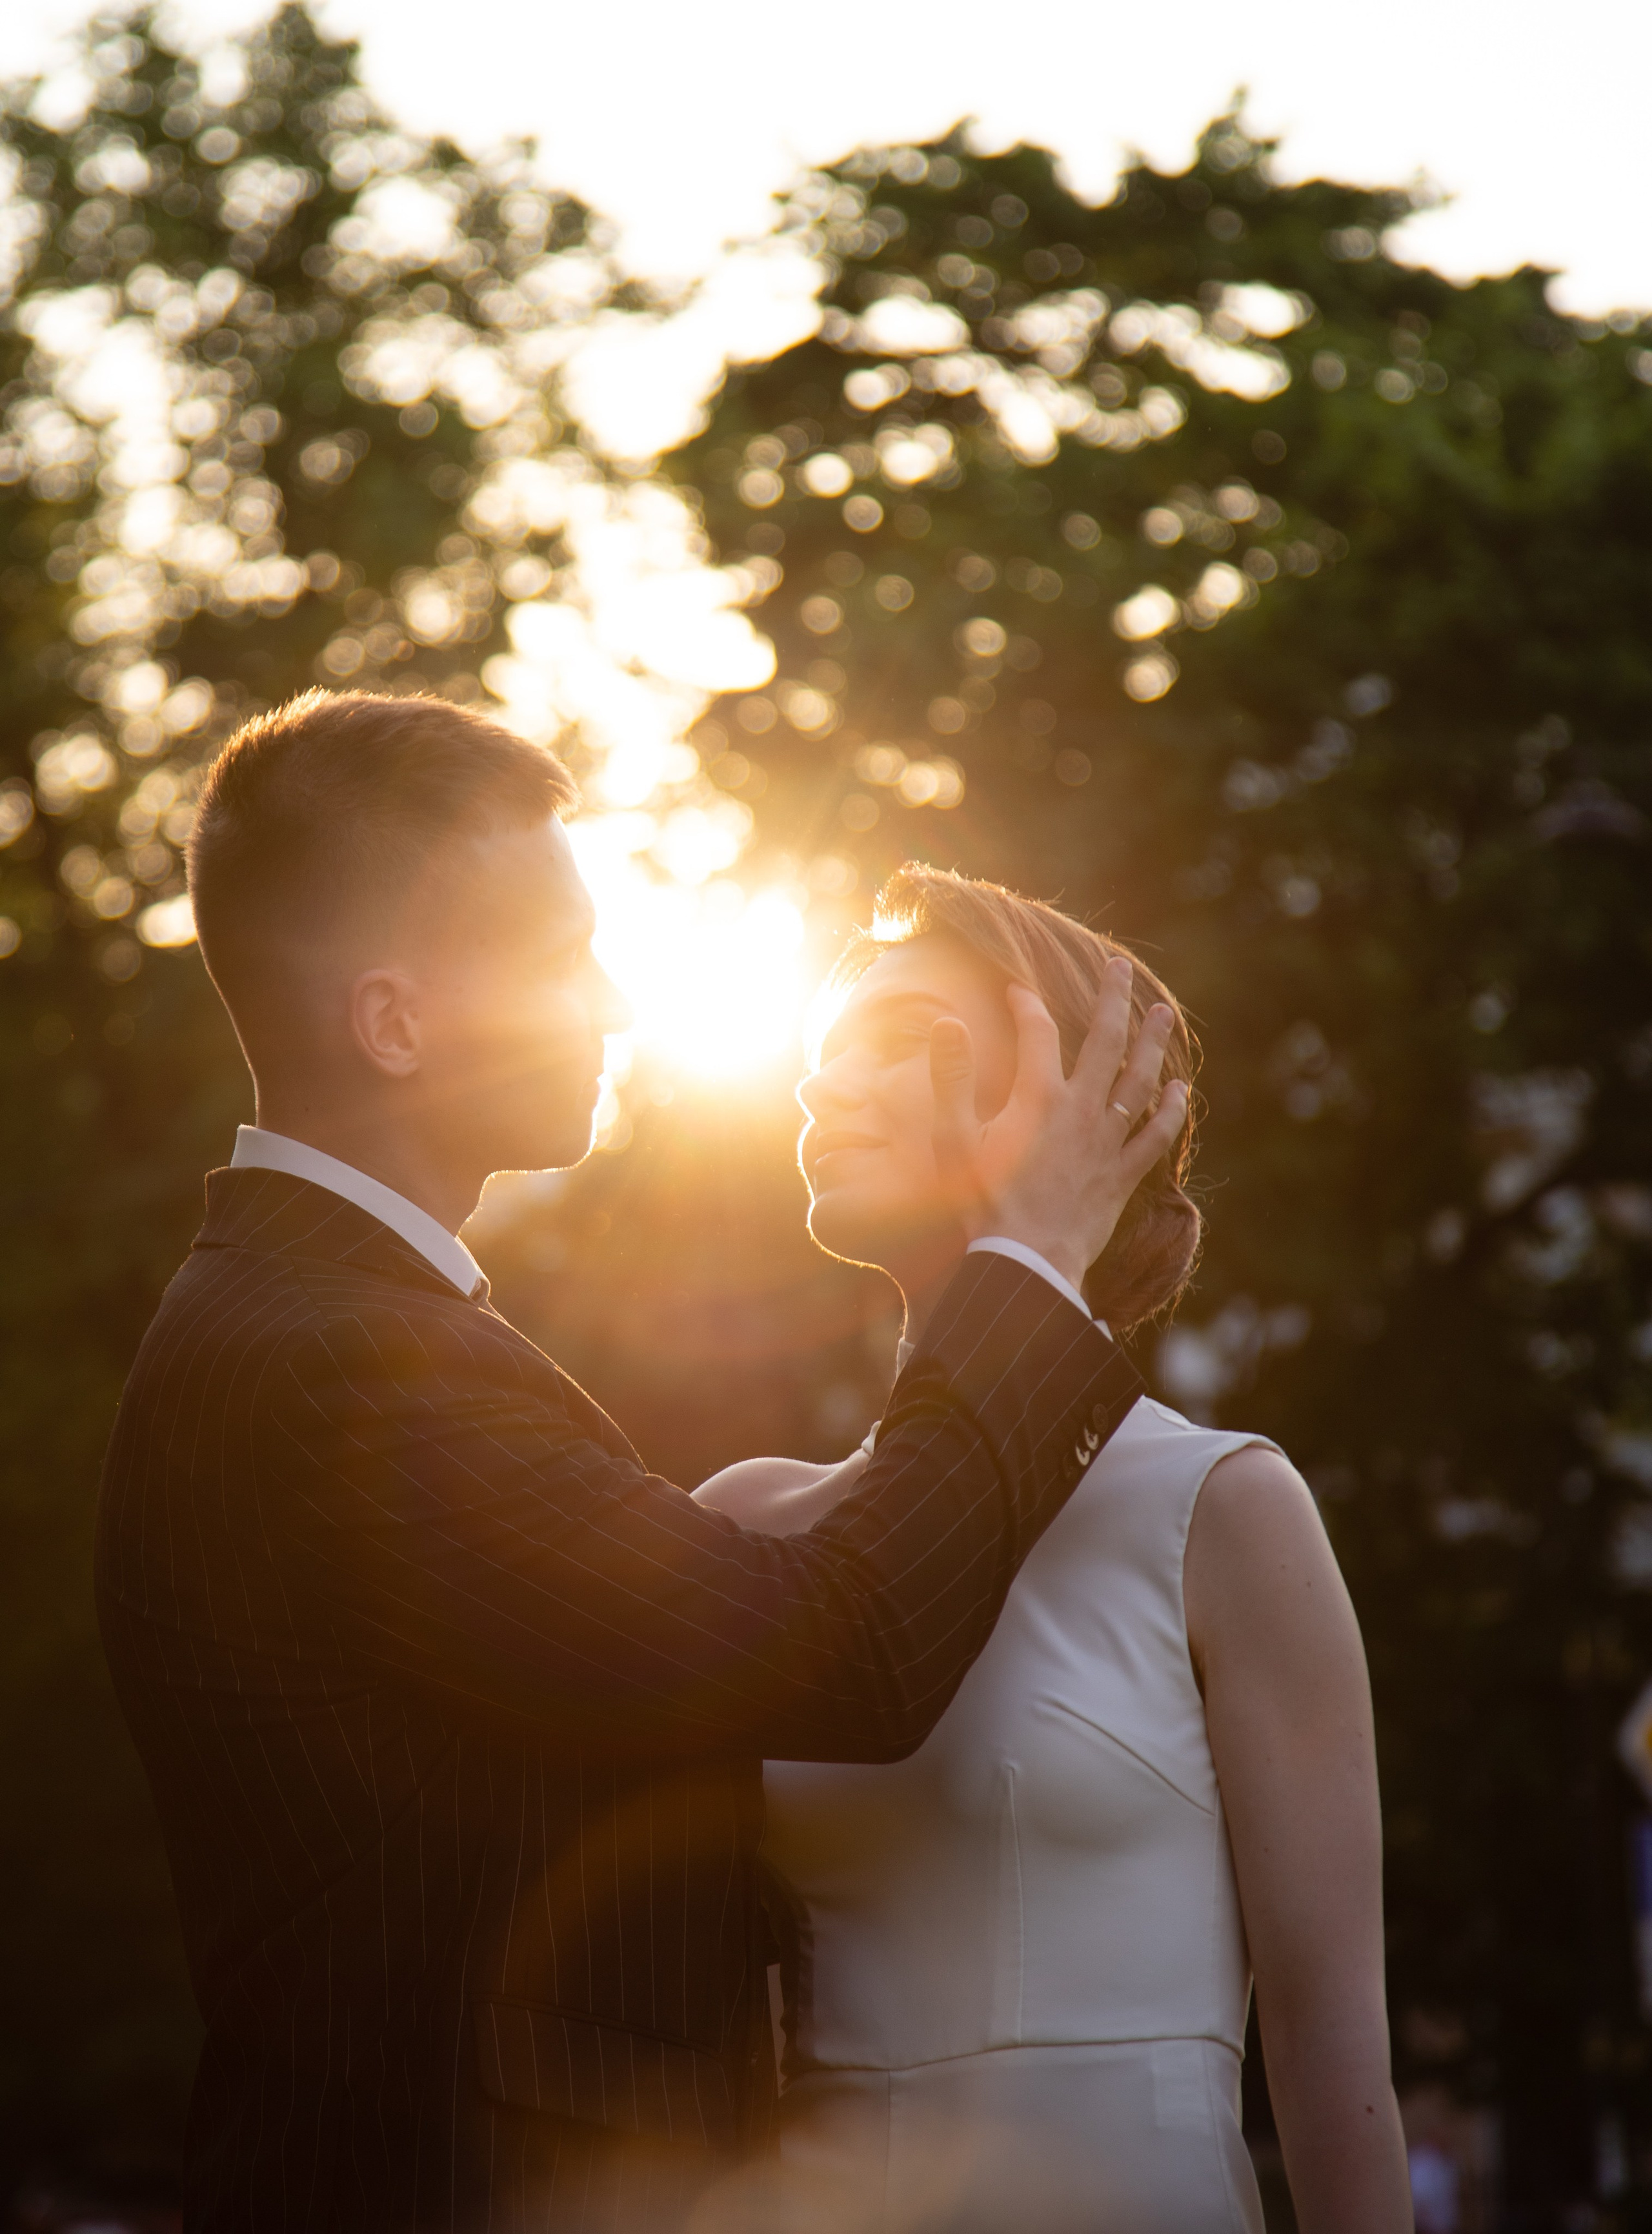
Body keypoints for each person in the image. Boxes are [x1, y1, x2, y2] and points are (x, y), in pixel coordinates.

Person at [93, 691, 1187, 2234]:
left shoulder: (325, 1325)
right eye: (558, 956)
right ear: (395, 1022)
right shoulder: (336, 1366)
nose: (611, 1001)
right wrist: (1033, 1260)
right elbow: (846, 1646)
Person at [694, 864, 1415, 2234]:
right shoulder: (743, 1521)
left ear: (1083, 1096)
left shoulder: (1226, 1512)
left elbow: (1334, 2061)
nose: (817, 1088)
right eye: (819, 1053)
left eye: (899, 1039)